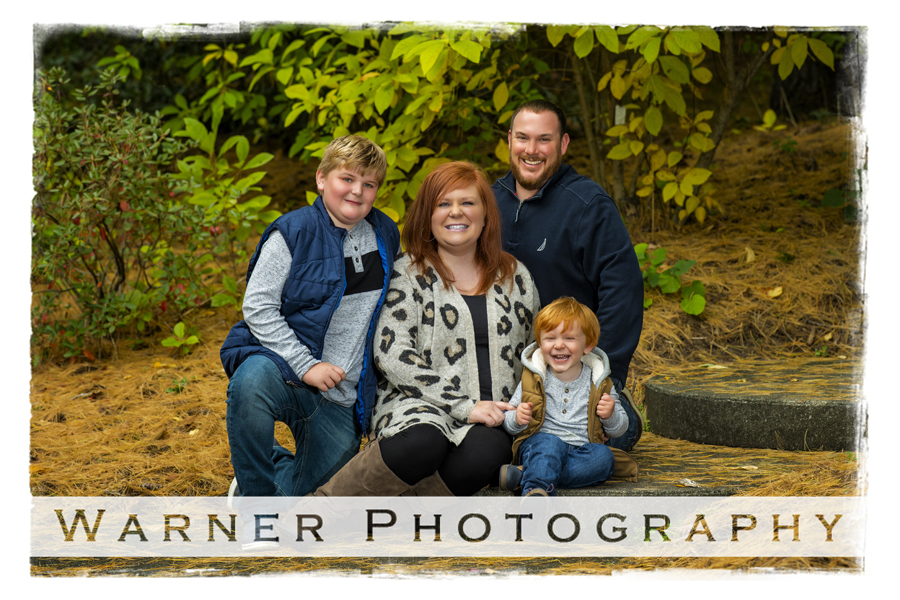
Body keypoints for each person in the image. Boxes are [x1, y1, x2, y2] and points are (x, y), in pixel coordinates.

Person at [312, 161, 541, 497]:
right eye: (443, 204)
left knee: (487, 452)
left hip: (494, 414)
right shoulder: (409, 272)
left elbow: (535, 351)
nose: (455, 213)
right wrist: (463, 406)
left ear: (485, 214)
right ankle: (315, 512)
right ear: (428, 216)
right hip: (415, 405)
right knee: (424, 440)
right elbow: (392, 355)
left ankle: (395, 520)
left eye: (467, 203)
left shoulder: (514, 275)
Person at [219, 135, 401, 526]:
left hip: (342, 396)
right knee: (249, 384)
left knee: (310, 498)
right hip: (286, 372)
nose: (357, 191)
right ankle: (258, 514)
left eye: (369, 184)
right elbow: (258, 307)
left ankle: (259, 477)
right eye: (347, 179)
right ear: (322, 179)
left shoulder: (386, 233)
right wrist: (306, 365)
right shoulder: (293, 232)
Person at [492, 99, 645, 451]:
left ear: (562, 144)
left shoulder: (588, 206)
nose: (532, 150)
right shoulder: (487, 201)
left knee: (599, 442)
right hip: (502, 369)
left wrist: (604, 375)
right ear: (509, 140)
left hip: (569, 368)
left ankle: (623, 416)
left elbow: (622, 291)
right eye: (523, 138)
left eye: (544, 139)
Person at [498, 297, 637, 497]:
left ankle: (527, 476)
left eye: (569, 338)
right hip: (540, 446)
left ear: (588, 345)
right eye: (550, 338)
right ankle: (537, 495)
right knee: (550, 444)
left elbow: (619, 429)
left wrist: (611, 415)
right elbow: (509, 421)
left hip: (582, 452)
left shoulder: (600, 382)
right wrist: (517, 419)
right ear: (539, 343)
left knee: (604, 458)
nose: (559, 345)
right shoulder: (533, 377)